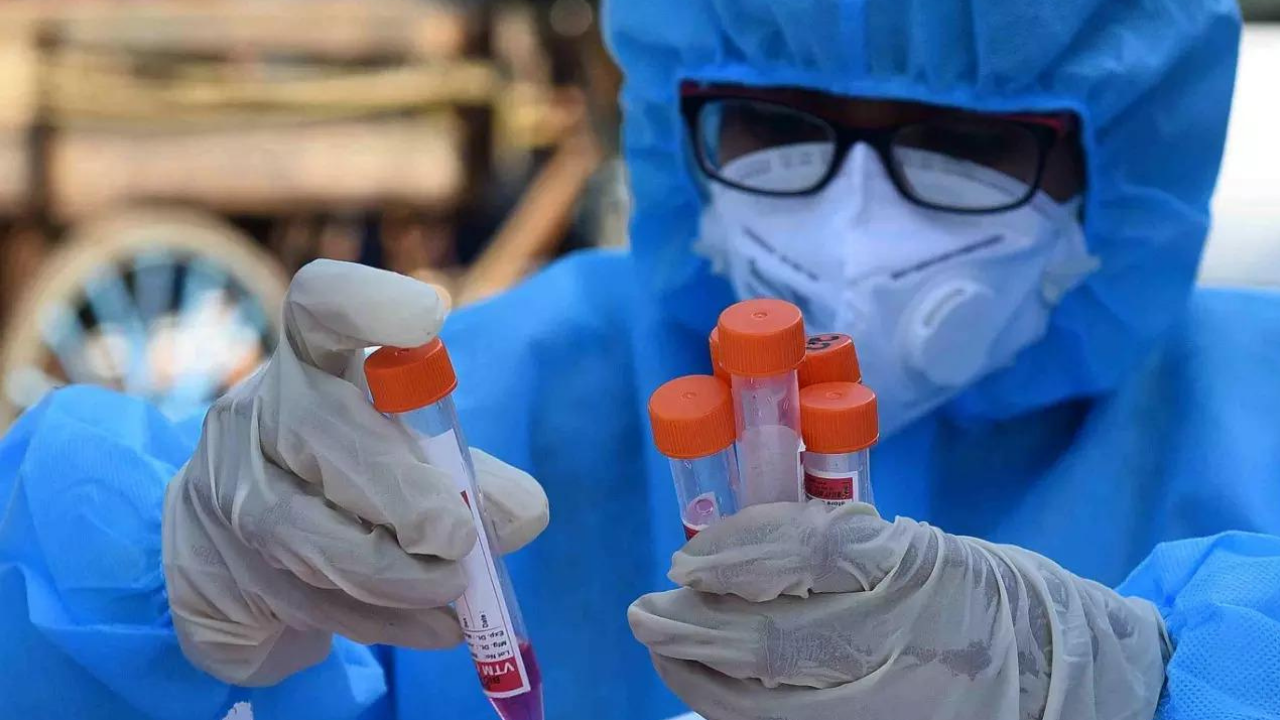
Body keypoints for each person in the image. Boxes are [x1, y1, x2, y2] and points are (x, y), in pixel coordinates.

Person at [2, 0, 1278, 718]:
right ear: (679, 119)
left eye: (971, 143)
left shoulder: (1252, 412)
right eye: (772, 123)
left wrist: (1135, 686)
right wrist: (181, 586)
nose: (852, 225)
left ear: (1125, 147)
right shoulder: (509, 386)